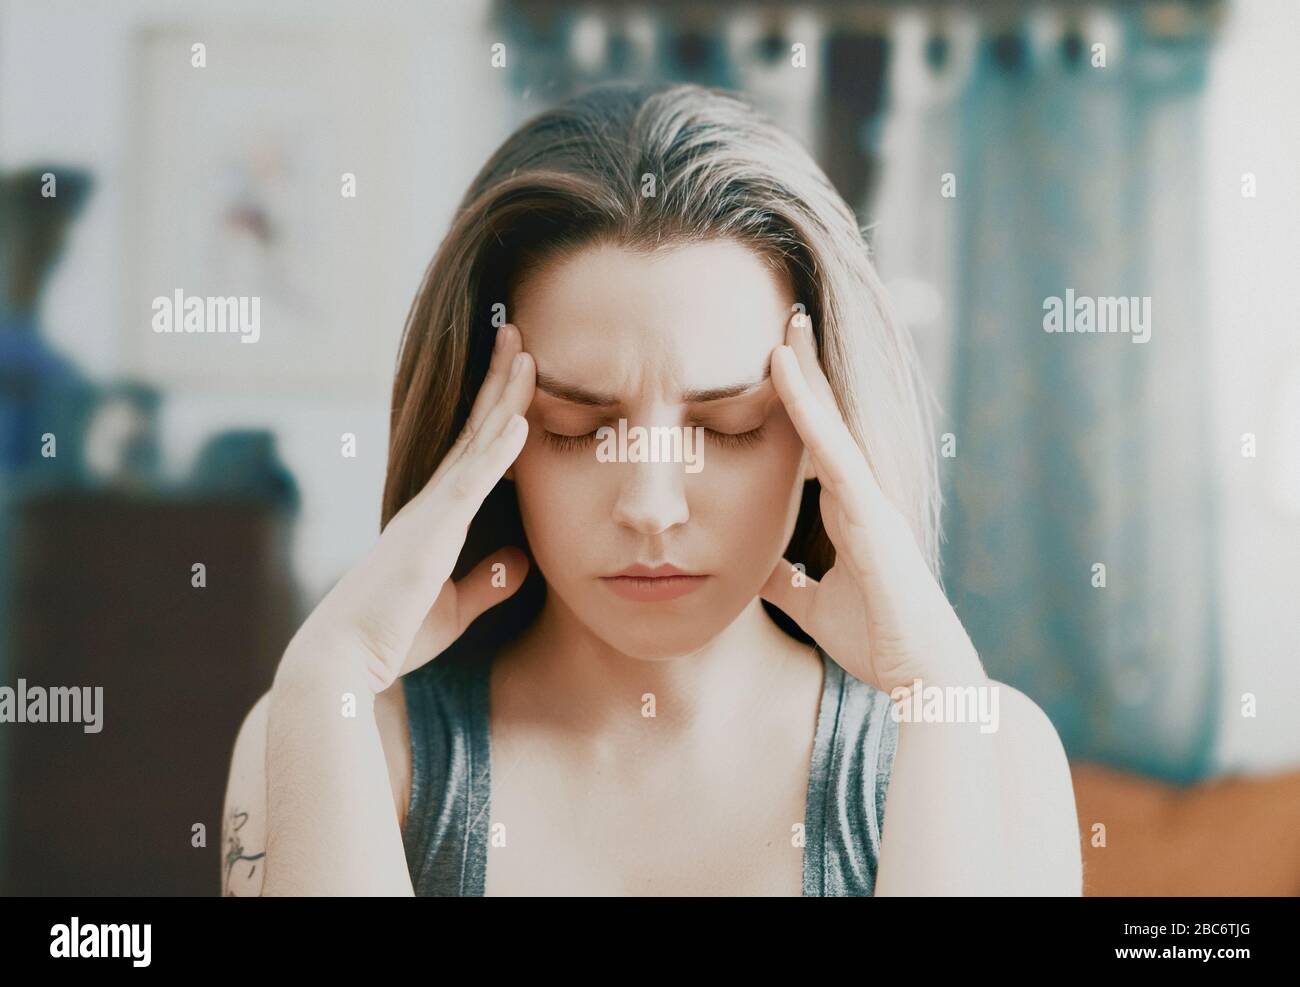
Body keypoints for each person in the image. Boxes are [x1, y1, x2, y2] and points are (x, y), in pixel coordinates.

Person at [222, 81, 1081, 896]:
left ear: (827, 436)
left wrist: (939, 704)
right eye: (577, 426)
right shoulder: (342, 733)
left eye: (729, 425)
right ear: (488, 442)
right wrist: (326, 675)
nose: (652, 506)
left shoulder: (990, 754)